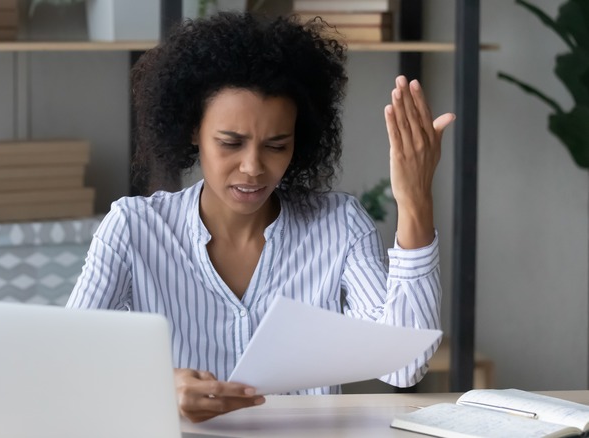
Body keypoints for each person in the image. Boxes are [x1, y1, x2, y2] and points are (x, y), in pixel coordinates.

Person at [67, 12, 455, 423]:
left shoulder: (339, 225)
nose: (253, 167)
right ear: (193, 130)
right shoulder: (132, 228)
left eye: (276, 145)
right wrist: (160, 384)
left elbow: (404, 366)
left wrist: (414, 202)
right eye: (230, 143)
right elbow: (67, 359)